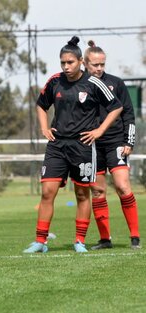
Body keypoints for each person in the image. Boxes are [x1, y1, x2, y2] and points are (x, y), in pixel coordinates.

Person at [23, 36, 123, 253]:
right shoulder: (54, 81)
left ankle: (79, 241)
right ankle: (41, 241)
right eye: (63, 63)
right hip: (57, 146)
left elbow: (116, 107)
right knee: (47, 192)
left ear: (80, 62)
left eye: (70, 62)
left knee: (81, 194)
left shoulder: (93, 83)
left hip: (83, 146)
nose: (66, 67)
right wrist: (44, 128)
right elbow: (41, 106)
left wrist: (99, 131)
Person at [83, 40, 140, 250]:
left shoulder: (116, 83)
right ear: (85, 64)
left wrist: (129, 141)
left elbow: (129, 114)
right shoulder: (79, 85)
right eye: (95, 65)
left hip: (116, 142)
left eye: (102, 65)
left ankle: (135, 236)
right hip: (91, 146)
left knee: (123, 186)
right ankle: (105, 239)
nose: (99, 68)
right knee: (97, 192)